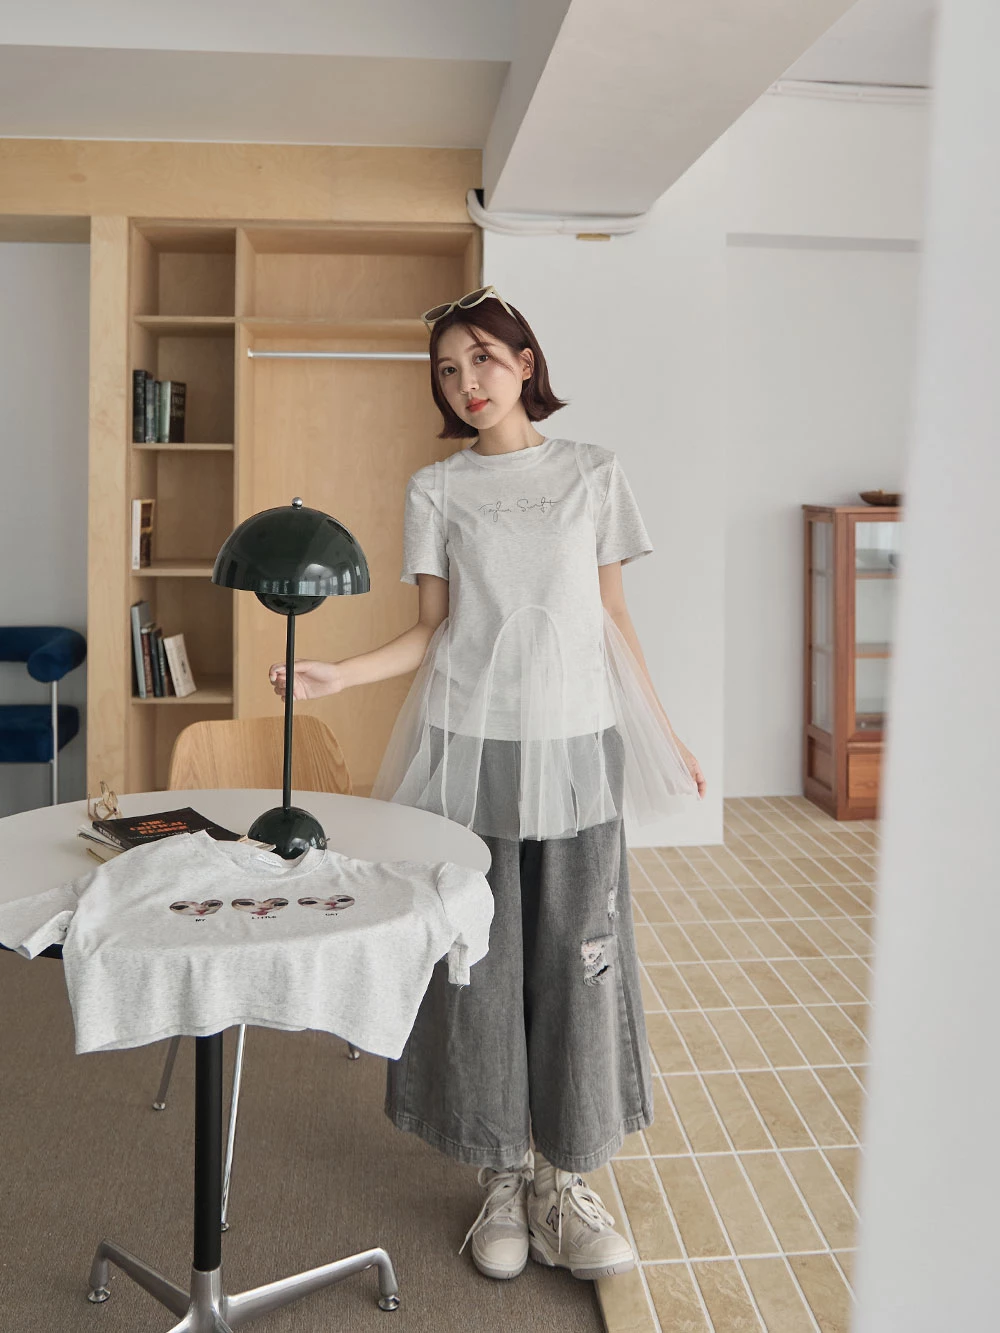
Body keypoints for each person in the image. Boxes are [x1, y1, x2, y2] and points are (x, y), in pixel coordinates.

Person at [268, 285, 706, 1284]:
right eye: (447, 369)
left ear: (524, 361)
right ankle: (500, 1174)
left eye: (482, 359)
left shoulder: (593, 472)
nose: (466, 382)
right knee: (479, 960)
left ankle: (567, 1175)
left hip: (578, 743)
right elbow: (432, 630)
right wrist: (341, 674)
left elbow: (614, 619)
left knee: (581, 958)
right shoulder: (437, 489)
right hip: (470, 748)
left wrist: (666, 732)